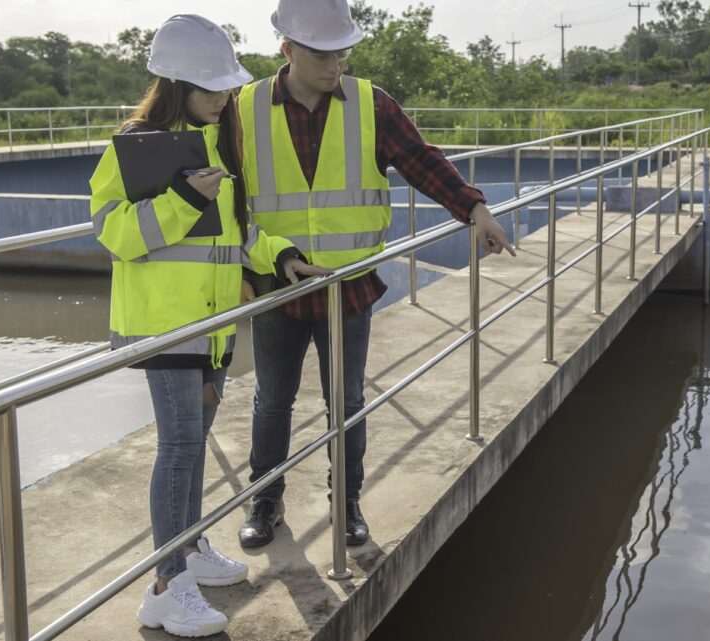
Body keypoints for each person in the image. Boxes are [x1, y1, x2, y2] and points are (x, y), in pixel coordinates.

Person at [234, 0, 516, 551]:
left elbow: (421, 160)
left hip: (349, 283)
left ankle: (348, 502)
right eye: (321, 52)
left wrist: (474, 208)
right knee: (272, 400)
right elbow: (228, 201)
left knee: (347, 400)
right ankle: (265, 500)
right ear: (287, 49)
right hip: (277, 283)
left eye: (341, 51)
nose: (335, 62)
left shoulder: (371, 105)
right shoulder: (243, 109)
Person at [89, 14, 325, 638]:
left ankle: (189, 551)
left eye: (225, 89)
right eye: (211, 90)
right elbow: (115, 234)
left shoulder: (216, 142)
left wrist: (278, 255)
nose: (223, 99)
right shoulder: (135, 144)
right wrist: (183, 199)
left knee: (191, 454)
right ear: (175, 84)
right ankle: (166, 587)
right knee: (180, 451)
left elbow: (235, 235)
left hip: (214, 327)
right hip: (165, 328)